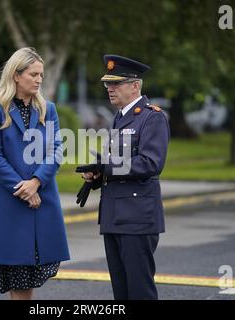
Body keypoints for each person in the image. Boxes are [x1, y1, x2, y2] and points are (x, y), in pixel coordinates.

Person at [77, 54, 170, 300]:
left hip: (137, 217)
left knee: (139, 291)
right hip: (115, 215)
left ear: (135, 85)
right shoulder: (119, 117)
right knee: (121, 292)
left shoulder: (152, 117)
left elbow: (151, 163)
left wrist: (106, 166)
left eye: (116, 83)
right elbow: (120, 166)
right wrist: (97, 175)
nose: (110, 88)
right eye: (108, 83)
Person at [0, 47, 70, 300]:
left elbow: (56, 150)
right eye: (34, 74)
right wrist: (23, 189)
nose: (39, 80)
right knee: (18, 277)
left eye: (41, 75)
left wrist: (36, 182)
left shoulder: (48, 109)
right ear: (16, 75)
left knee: (29, 274)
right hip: (10, 202)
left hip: (41, 199)